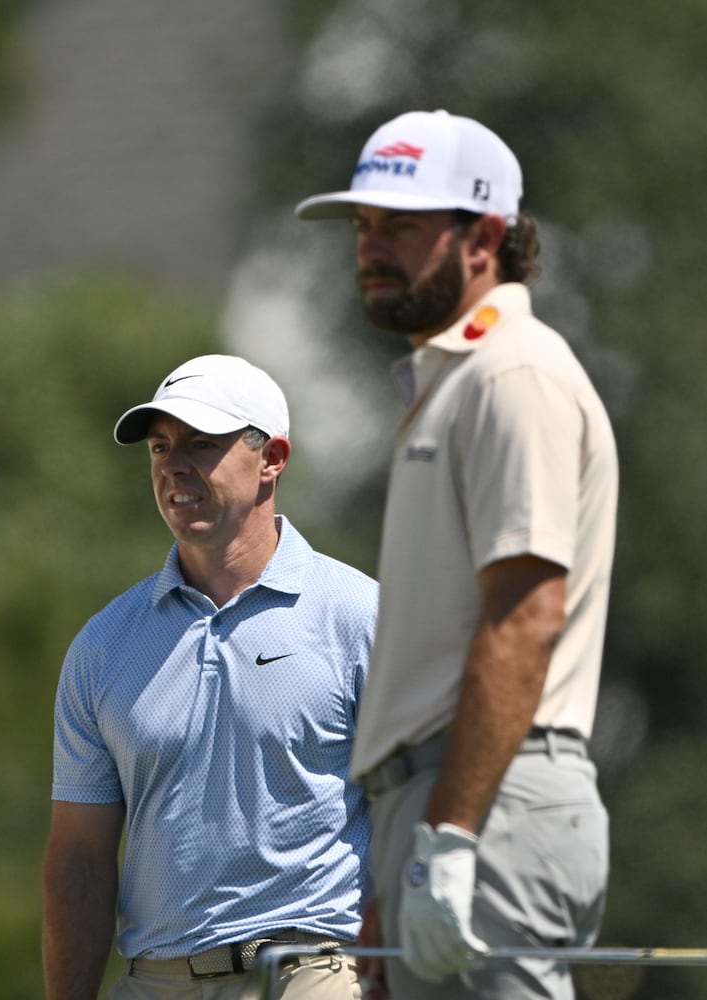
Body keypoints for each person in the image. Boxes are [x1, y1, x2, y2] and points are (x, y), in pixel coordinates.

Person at [295, 109, 618, 1000]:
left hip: (490, 800)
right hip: (450, 803)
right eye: (363, 226)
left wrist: (447, 840)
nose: (371, 247)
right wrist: (402, 855)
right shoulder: (461, 381)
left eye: (400, 226)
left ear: (483, 237)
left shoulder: (513, 374)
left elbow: (526, 617)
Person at [41, 353, 378, 1000]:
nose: (173, 465)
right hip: (154, 980)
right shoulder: (103, 645)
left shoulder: (358, 615)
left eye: (201, 443)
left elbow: (413, 807)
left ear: (271, 458)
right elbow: (79, 856)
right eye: (160, 447)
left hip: (311, 972)